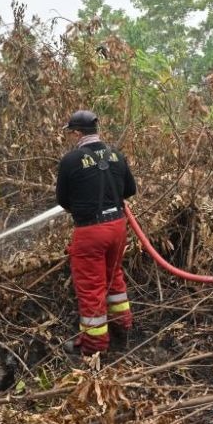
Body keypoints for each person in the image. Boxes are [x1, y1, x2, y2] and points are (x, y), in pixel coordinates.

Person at [56, 110, 137, 355]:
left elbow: (63, 200)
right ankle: (122, 326)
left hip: (91, 232)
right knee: (115, 280)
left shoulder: (70, 161)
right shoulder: (116, 155)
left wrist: (84, 210)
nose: (71, 137)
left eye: (71, 133)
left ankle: (94, 346)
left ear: (78, 133)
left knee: (91, 289)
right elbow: (130, 190)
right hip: (117, 228)